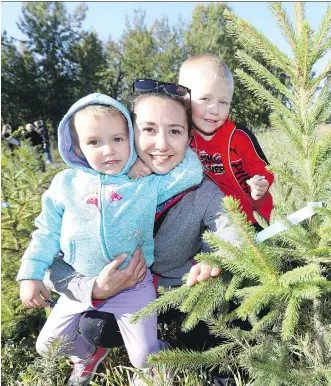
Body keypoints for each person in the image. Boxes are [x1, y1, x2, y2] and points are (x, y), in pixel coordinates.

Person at [46, 88, 240, 386]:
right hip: (122, 295)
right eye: (148, 130)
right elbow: (51, 261)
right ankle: (96, 354)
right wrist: (95, 288)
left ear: (189, 137)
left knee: (214, 311)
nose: (161, 144)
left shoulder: (202, 190)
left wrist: (214, 259)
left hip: (177, 291)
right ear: (128, 133)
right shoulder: (91, 189)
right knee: (95, 328)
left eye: (174, 131)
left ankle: (183, 358)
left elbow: (232, 231)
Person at [17, 93, 203, 386]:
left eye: (118, 139)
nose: (108, 150)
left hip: (133, 285)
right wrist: (31, 274)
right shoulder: (66, 184)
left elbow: (191, 172)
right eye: (94, 142)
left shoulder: (142, 183)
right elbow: (46, 232)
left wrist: (146, 162)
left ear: (130, 138)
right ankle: (88, 354)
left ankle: (160, 362)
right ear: (76, 146)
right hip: (79, 285)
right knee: (47, 347)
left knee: (142, 357)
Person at [179, 54, 274, 231]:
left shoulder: (238, 136)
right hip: (214, 224)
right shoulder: (182, 137)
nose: (214, 110)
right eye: (205, 99)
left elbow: (264, 169)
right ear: (184, 99)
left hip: (254, 218)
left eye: (223, 102)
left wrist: (261, 182)